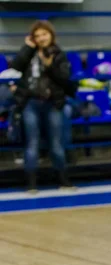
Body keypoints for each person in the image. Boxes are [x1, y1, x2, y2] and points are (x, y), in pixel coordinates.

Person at [11, 20, 76, 192]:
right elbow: (16, 67)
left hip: (53, 103)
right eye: (37, 36)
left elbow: (64, 78)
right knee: (32, 144)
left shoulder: (59, 54)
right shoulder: (29, 53)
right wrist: (27, 47)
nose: (41, 38)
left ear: (51, 35)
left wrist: (49, 66)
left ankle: (64, 181)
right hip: (30, 103)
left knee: (56, 143)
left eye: (44, 34)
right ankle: (31, 184)